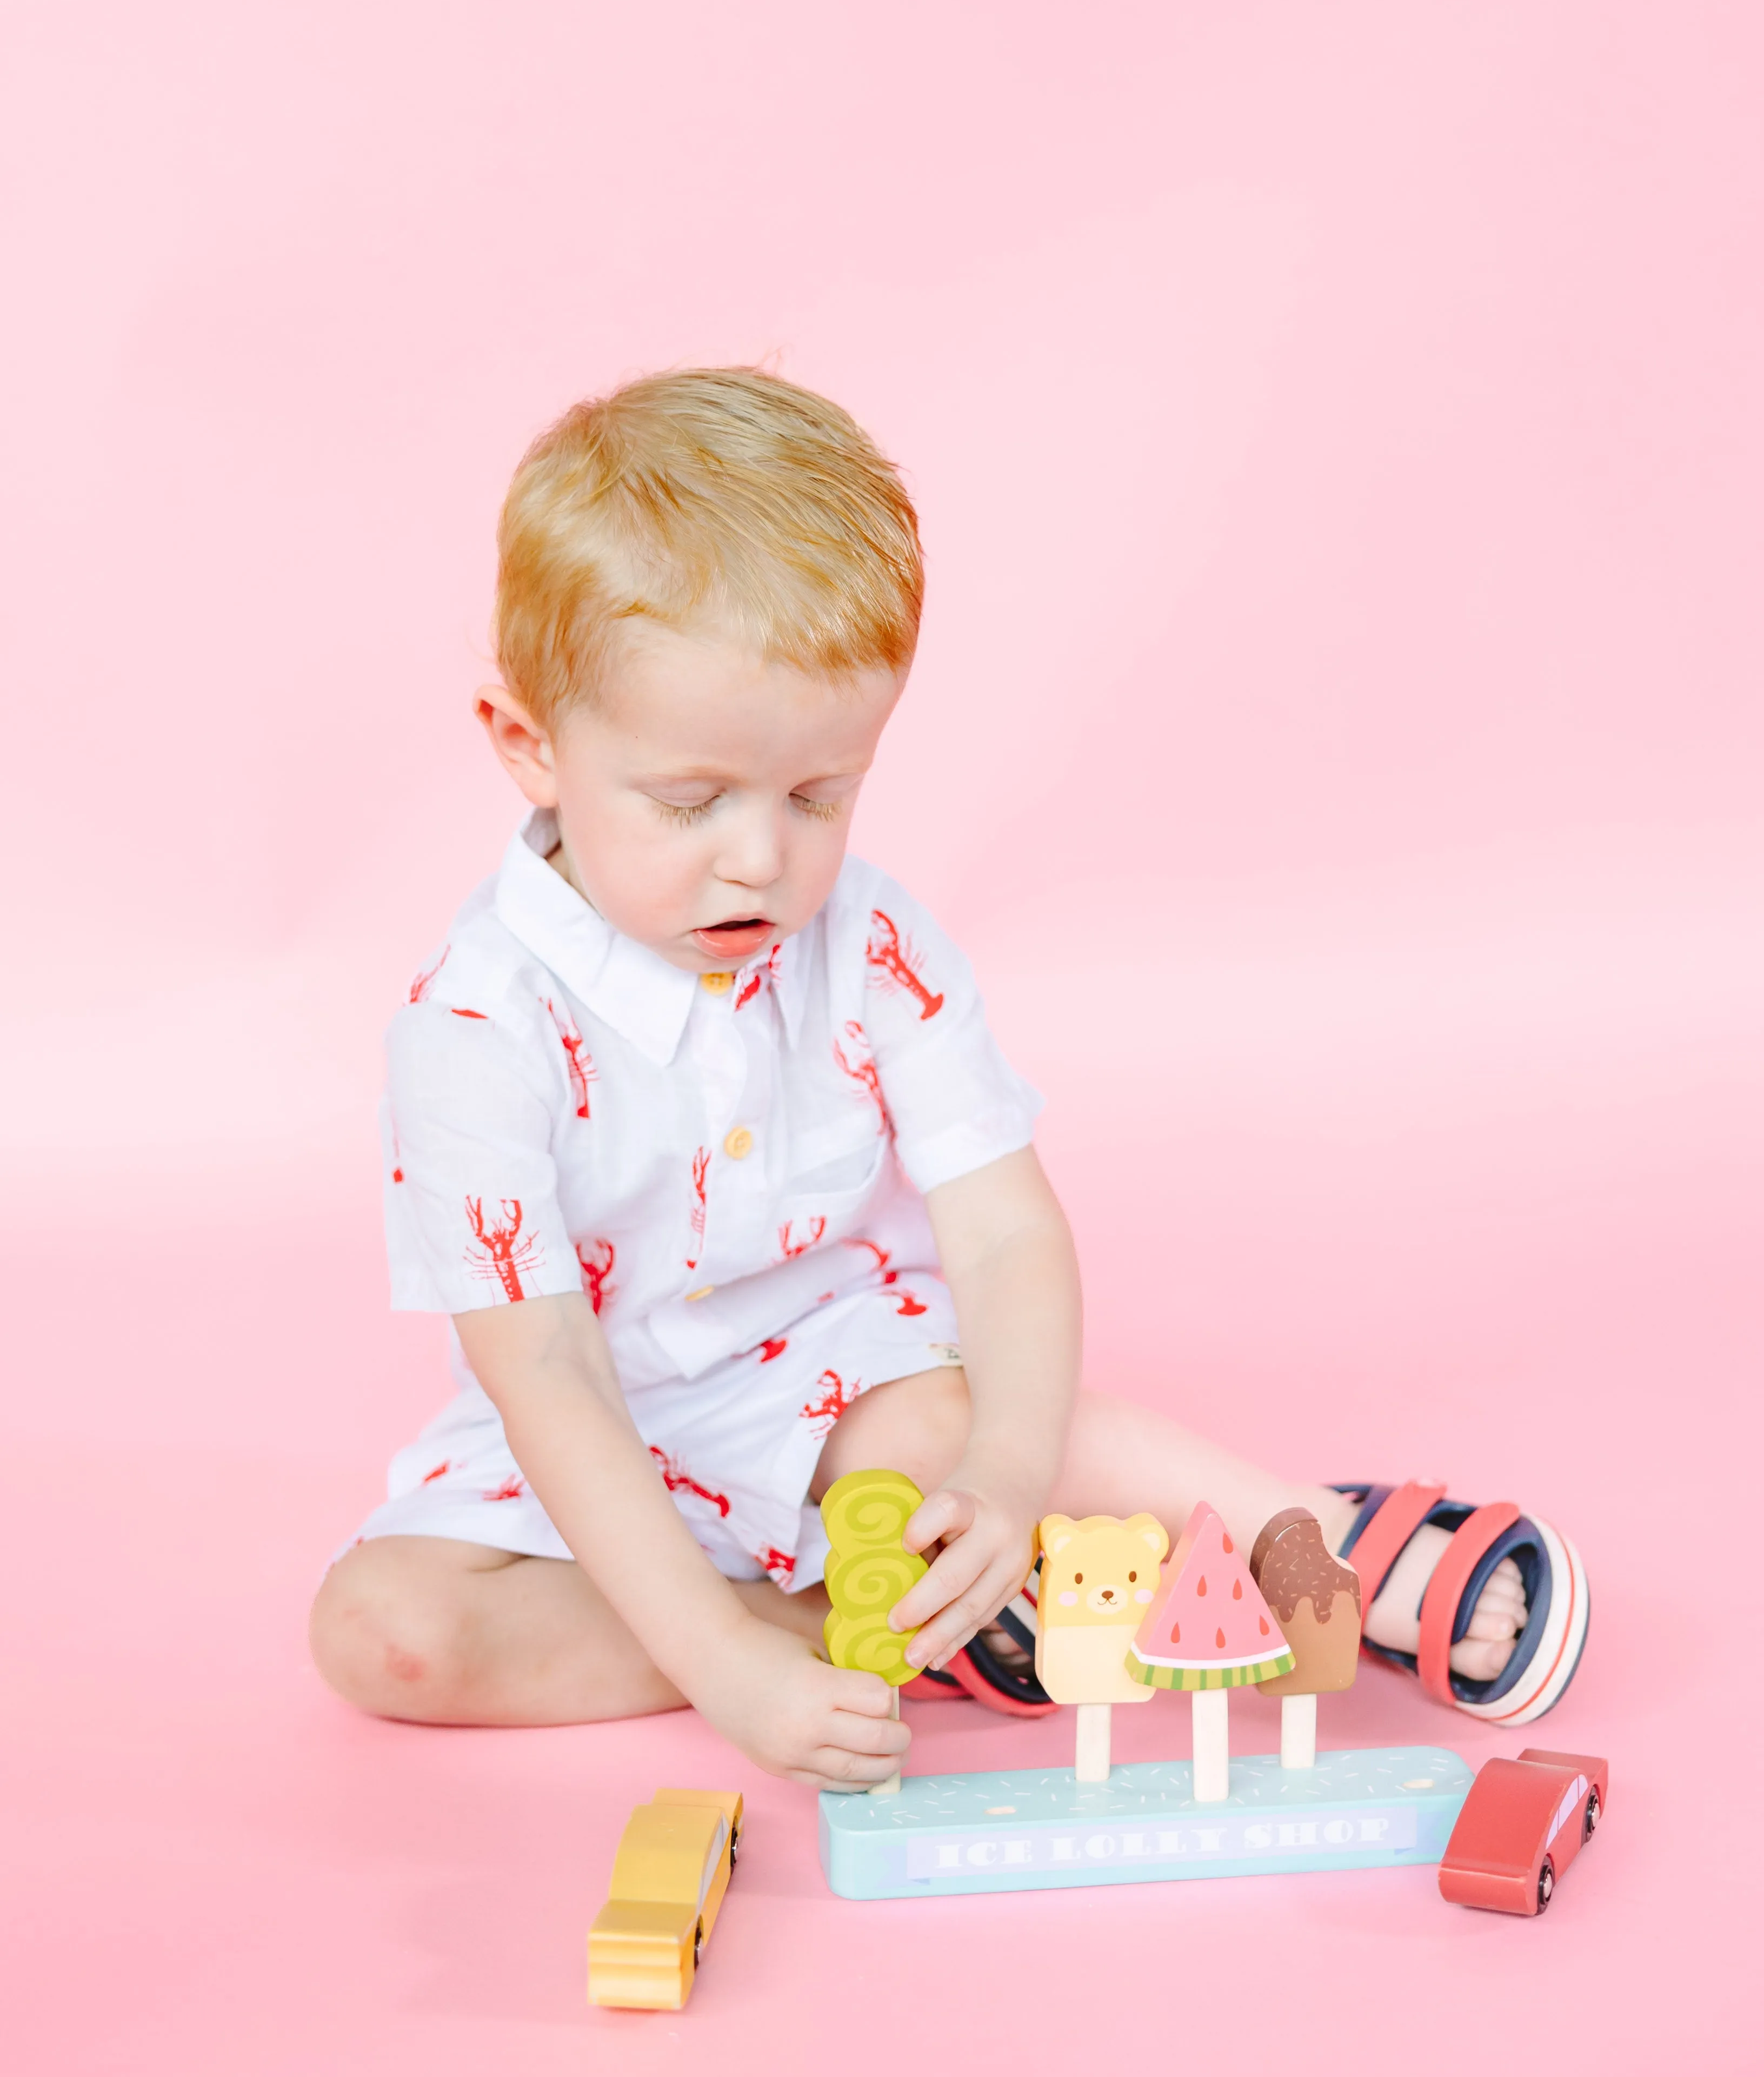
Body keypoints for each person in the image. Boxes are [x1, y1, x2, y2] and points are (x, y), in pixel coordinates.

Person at [310, 370, 1587, 1786]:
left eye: (817, 794)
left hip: (842, 1394)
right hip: (586, 1444)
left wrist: (1004, 1476)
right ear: (528, 747)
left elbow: (998, 1223)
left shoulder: (871, 940)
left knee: (933, 1422)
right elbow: (546, 1374)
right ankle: (865, 1621)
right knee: (384, 1631)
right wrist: (729, 1671)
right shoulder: (471, 1030)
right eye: (688, 802)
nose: (758, 858)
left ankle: (1335, 1544)